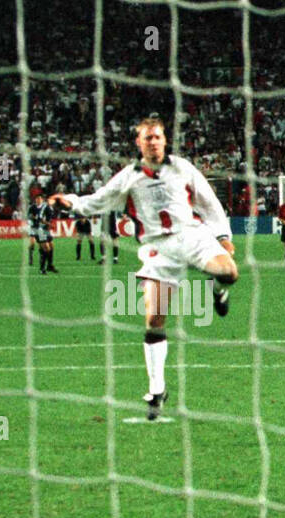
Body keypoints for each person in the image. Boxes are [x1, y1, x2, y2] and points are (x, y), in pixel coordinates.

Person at [49, 116, 238, 421]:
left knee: (229, 272)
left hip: (191, 235)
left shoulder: (182, 168)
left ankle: (218, 292)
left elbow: (209, 202)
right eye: (147, 138)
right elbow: (99, 201)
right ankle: (157, 389)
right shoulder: (129, 177)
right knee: (154, 320)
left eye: (157, 137)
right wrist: (70, 203)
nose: (153, 142)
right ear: (138, 143)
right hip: (158, 249)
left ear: (165, 140)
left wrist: (223, 236)